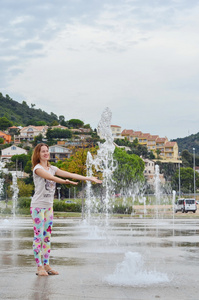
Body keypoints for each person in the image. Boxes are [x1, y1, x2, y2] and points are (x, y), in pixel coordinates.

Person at [31, 143, 102, 276]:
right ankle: (39, 267)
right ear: (38, 154)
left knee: (47, 238)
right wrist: (64, 182)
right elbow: (50, 178)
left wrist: (88, 178)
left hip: (48, 207)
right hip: (38, 207)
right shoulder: (38, 168)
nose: (46, 153)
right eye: (43, 152)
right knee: (38, 237)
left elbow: (70, 174)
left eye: (47, 151)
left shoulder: (52, 168)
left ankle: (46, 265)